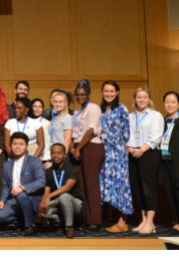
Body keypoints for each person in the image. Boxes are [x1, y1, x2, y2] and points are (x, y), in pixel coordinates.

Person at [0, 132, 46, 236]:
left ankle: (30, 226)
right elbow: (5, 186)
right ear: (11, 146)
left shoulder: (34, 161)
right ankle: (24, 220)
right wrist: (2, 200)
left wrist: (22, 188)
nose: (17, 146)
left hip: (30, 198)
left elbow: (41, 181)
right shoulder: (7, 164)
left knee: (21, 195)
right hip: (14, 200)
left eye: (21, 144)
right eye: (15, 144)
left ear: (26, 146)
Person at [126, 87, 164, 235]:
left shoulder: (156, 115)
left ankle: (150, 222)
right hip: (132, 152)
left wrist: (141, 150)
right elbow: (125, 134)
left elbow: (156, 136)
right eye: (139, 97)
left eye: (144, 97)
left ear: (149, 99)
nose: (141, 100)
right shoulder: (130, 116)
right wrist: (130, 148)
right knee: (137, 188)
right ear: (135, 99)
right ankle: (143, 220)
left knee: (148, 188)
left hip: (148, 154)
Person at [68, 79, 104, 232]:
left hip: (91, 147)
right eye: (77, 94)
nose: (80, 96)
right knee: (82, 187)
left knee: (91, 185)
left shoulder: (93, 108)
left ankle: (95, 221)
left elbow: (90, 131)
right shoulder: (78, 112)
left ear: (89, 94)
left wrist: (78, 149)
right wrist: (72, 148)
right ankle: (87, 219)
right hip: (80, 148)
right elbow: (73, 133)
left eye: (83, 94)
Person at [98, 81, 133, 233]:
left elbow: (126, 133)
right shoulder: (99, 109)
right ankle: (107, 219)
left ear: (117, 92)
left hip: (117, 154)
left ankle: (122, 222)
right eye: (106, 91)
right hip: (102, 154)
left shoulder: (122, 108)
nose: (109, 94)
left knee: (121, 186)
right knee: (105, 185)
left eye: (112, 91)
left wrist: (116, 143)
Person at [159, 91, 179, 235]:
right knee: (170, 192)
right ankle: (177, 221)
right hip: (166, 161)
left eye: (173, 101)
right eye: (167, 102)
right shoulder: (162, 121)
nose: (170, 104)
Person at [38, 144, 82, 239]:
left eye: (59, 153)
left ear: (65, 155)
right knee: (43, 212)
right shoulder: (48, 172)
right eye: (53, 153)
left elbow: (67, 187)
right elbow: (46, 192)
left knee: (64, 196)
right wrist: (43, 204)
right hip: (57, 203)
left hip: (75, 204)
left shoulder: (73, 169)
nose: (55, 155)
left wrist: (49, 197)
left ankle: (69, 227)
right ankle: (61, 223)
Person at [47, 90, 74, 167]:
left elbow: (67, 140)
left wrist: (63, 157)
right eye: (55, 102)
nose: (57, 104)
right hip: (53, 153)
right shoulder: (55, 117)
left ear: (66, 103)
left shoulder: (67, 118)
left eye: (60, 102)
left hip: (60, 155)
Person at [30, 98, 51, 165]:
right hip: (29, 154)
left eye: (40, 107)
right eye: (35, 106)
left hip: (43, 157)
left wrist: (49, 159)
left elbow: (48, 142)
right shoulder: (26, 121)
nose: (37, 109)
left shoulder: (47, 123)